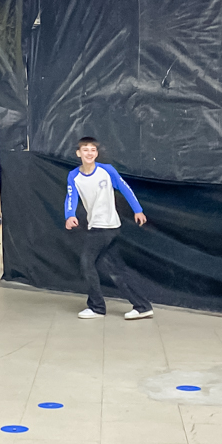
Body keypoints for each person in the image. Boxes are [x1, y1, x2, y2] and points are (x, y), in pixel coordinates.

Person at [64, 136, 153, 320]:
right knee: (115, 270)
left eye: (93, 150)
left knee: (87, 263)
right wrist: (69, 215)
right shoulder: (74, 176)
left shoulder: (107, 170)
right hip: (97, 226)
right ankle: (142, 306)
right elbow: (71, 197)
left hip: (105, 227)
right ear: (78, 153)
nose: (89, 153)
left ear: (97, 153)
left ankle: (97, 307)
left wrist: (138, 210)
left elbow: (125, 188)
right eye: (85, 150)